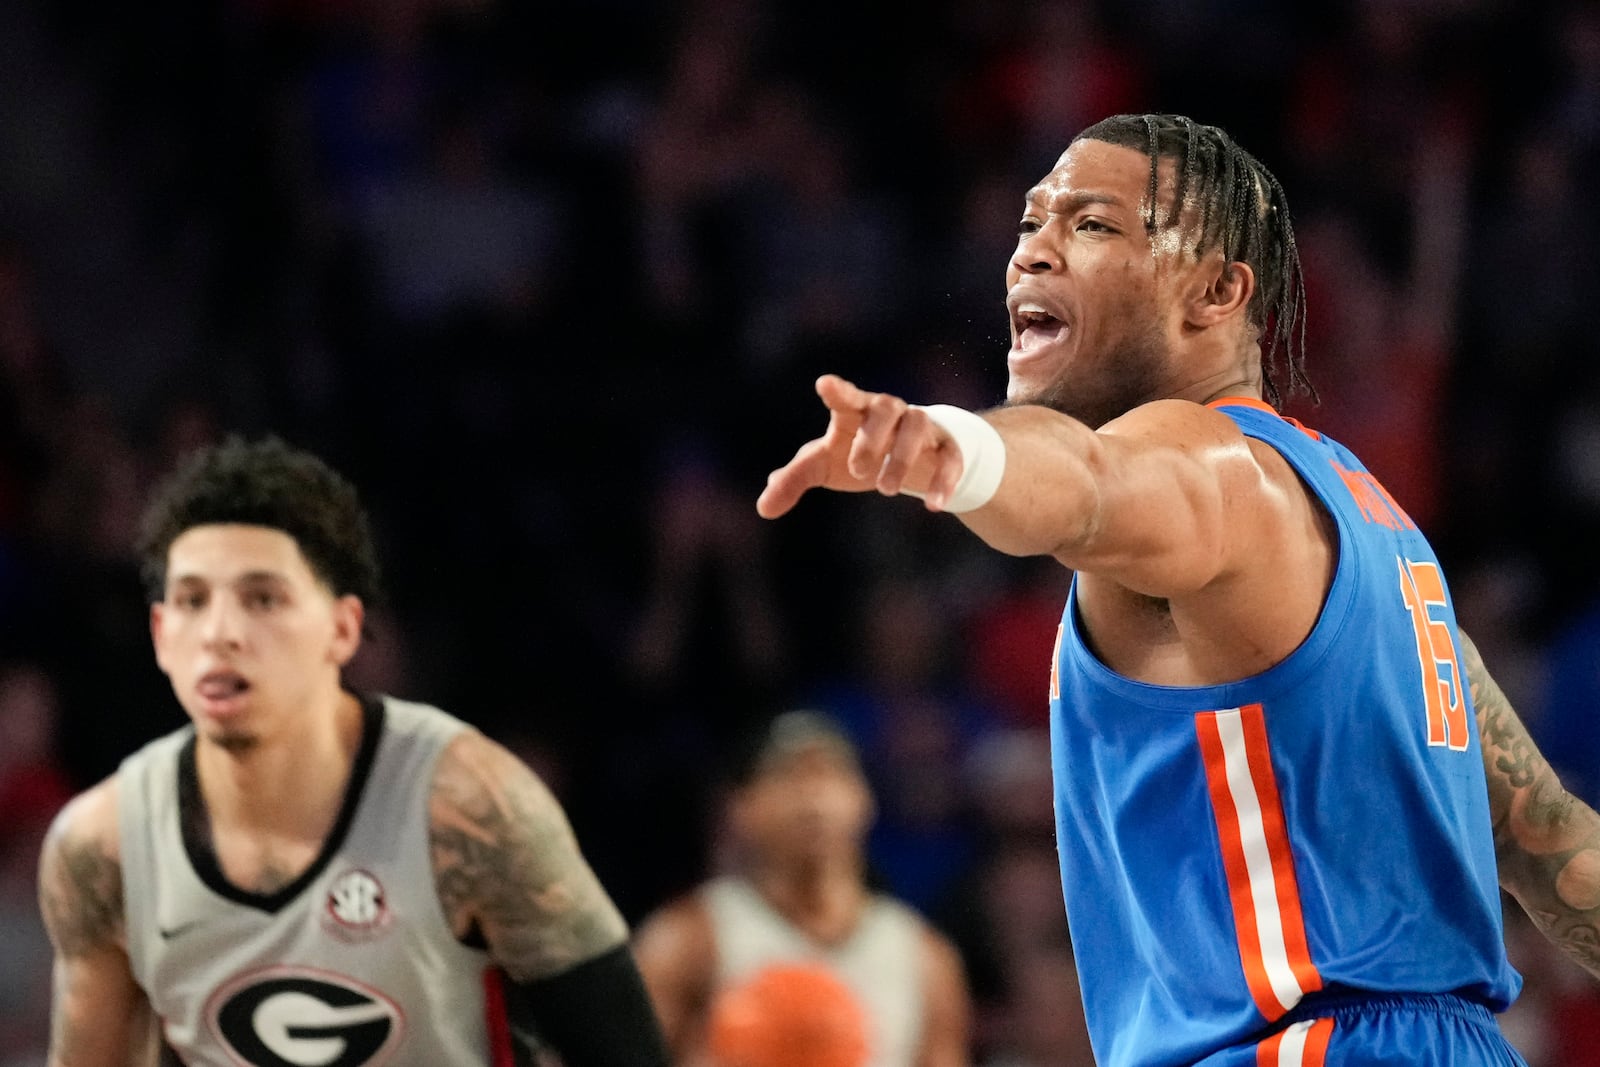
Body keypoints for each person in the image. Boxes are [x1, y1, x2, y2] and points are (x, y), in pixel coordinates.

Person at [755, 112, 1600, 1066]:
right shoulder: (1375, 522)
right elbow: (1550, 837)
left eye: (1092, 224)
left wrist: (961, 452)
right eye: (1031, 223)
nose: (1032, 252)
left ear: (1217, 290)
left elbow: (1087, 485)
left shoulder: (1213, 468)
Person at [36, 436, 671, 1067]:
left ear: (342, 630)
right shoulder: (101, 848)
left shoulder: (470, 807)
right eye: (192, 601)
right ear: (160, 635)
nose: (221, 633)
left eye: (262, 599)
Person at [632, 709, 972, 1067]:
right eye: (787, 776)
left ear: (864, 799)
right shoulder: (689, 939)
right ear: (740, 807)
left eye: (829, 773)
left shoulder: (922, 955)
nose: (812, 796)